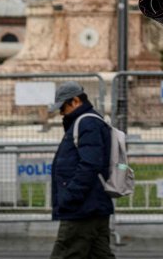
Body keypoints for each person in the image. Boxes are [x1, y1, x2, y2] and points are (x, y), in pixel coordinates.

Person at [49, 81, 114, 259]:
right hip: (93, 205)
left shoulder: (86, 123)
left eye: (63, 107)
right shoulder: (86, 122)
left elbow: (90, 164)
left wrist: (71, 195)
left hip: (83, 208)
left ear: (75, 101)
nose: (61, 113)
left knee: (65, 254)